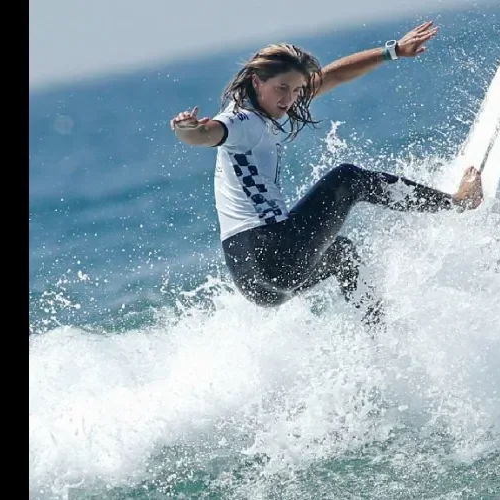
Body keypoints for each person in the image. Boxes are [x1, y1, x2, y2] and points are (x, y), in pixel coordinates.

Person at [169, 21, 483, 328]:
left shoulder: (271, 110)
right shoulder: (241, 122)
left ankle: (381, 338)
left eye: (295, 90)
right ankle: (458, 202)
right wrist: (188, 129)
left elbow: (333, 76)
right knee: (347, 179)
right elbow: (205, 135)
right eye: (282, 88)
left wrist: (394, 51)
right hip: (269, 253)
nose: (289, 99)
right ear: (256, 82)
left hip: (254, 283)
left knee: (342, 253)